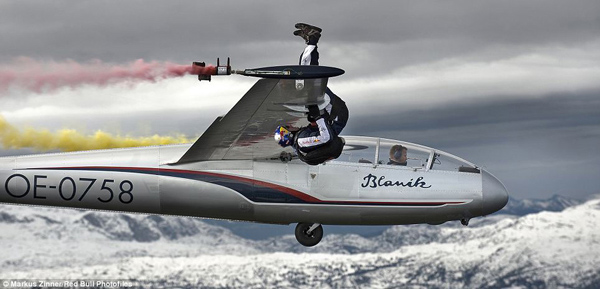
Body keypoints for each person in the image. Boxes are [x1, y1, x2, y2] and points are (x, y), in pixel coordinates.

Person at [273, 23, 347, 165]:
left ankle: (311, 41)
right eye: (287, 128)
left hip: (334, 115)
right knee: (307, 78)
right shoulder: (301, 141)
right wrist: (318, 117)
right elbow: (325, 137)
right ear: (287, 134)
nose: (291, 126)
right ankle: (312, 39)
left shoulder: (301, 139)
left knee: (308, 78)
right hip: (336, 115)